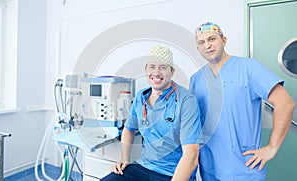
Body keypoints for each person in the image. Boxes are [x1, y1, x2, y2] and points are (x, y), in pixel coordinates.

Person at [189, 21, 295, 181]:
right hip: (209, 168)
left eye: (212, 39)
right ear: (198, 49)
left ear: (223, 40)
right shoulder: (196, 79)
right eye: (201, 42)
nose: (207, 45)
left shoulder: (249, 68)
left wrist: (272, 147)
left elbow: (285, 103)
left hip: (244, 169)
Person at [101, 45, 203, 181]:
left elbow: (191, 154)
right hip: (144, 167)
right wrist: (125, 159)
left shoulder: (186, 100)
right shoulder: (141, 97)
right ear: (146, 70)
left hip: (172, 173)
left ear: (172, 72)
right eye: (152, 67)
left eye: (163, 67)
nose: (156, 72)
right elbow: (129, 129)